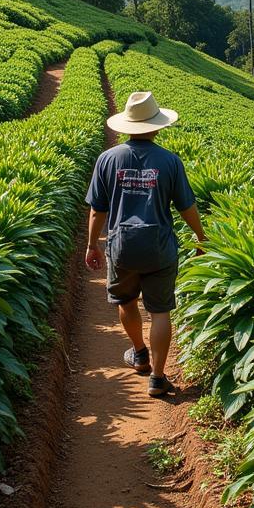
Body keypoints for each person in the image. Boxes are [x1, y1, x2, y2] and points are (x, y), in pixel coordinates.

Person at [84, 90, 205, 397]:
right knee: (161, 310)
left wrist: (91, 245)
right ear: (156, 126)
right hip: (159, 247)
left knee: (126, 301)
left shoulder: (108, 159)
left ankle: (139, 353)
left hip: (122, 245)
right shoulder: (169, 161)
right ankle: (158, 378)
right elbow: (186, 206)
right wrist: (202, 237)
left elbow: (98, 209)